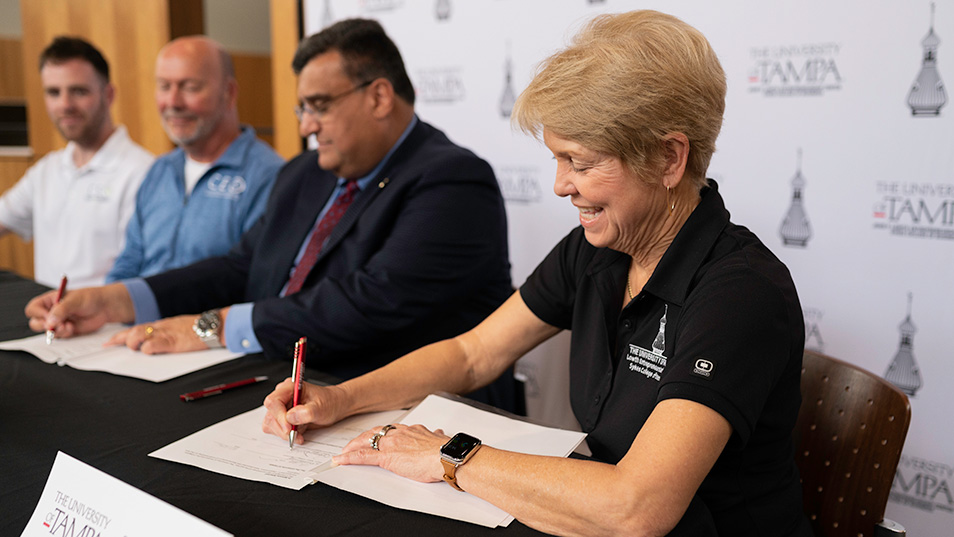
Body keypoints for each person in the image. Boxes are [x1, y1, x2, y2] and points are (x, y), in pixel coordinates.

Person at [260, 11, 812, 537]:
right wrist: (342, 399)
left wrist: (448, 455)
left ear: (669, 159)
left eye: (581, 162)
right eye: (556, 159)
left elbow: (637, 507)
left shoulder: (741, 292)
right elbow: (473, 354)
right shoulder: (598, 249)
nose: (559, 185)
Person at [26, 19, 515, 410]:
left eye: (319, 106)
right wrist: (117, 300)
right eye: (302, 107)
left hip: (400, 411)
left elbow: (370, 303)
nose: (305, 126)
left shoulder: (453, 180)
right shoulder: (307, 171)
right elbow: (241, 265)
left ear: (379, 97)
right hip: (286, 386)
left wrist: (210, 326)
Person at [105, 36, 283, 281]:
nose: (173, 103)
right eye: (164, 87)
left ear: (229, 93)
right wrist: (102, 305)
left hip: (208, 319)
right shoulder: (160, 170)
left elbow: (254, 284)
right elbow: (129, 262)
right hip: (142, 319)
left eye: (190, 87)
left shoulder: (267, 176)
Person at [0, 37, 153, 289]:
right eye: (53, 92)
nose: (65, 105)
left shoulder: (142, 173)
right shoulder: (47, 170)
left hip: (108, 324)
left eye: (79, 91)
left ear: (109, 94)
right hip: (47, 320)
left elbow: (143, 278)